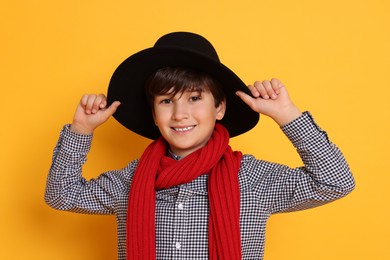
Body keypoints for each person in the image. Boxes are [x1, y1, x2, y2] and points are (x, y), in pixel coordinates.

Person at [45, 32, 355, 260]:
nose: (180, 114)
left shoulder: (252, 179)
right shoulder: (132, 180)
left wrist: (288, 115)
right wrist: (81, 130)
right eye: (166, 101)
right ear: (154, 114)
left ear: (219, 108)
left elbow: (335, 182)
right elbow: (61, 195)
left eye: (195, 98)